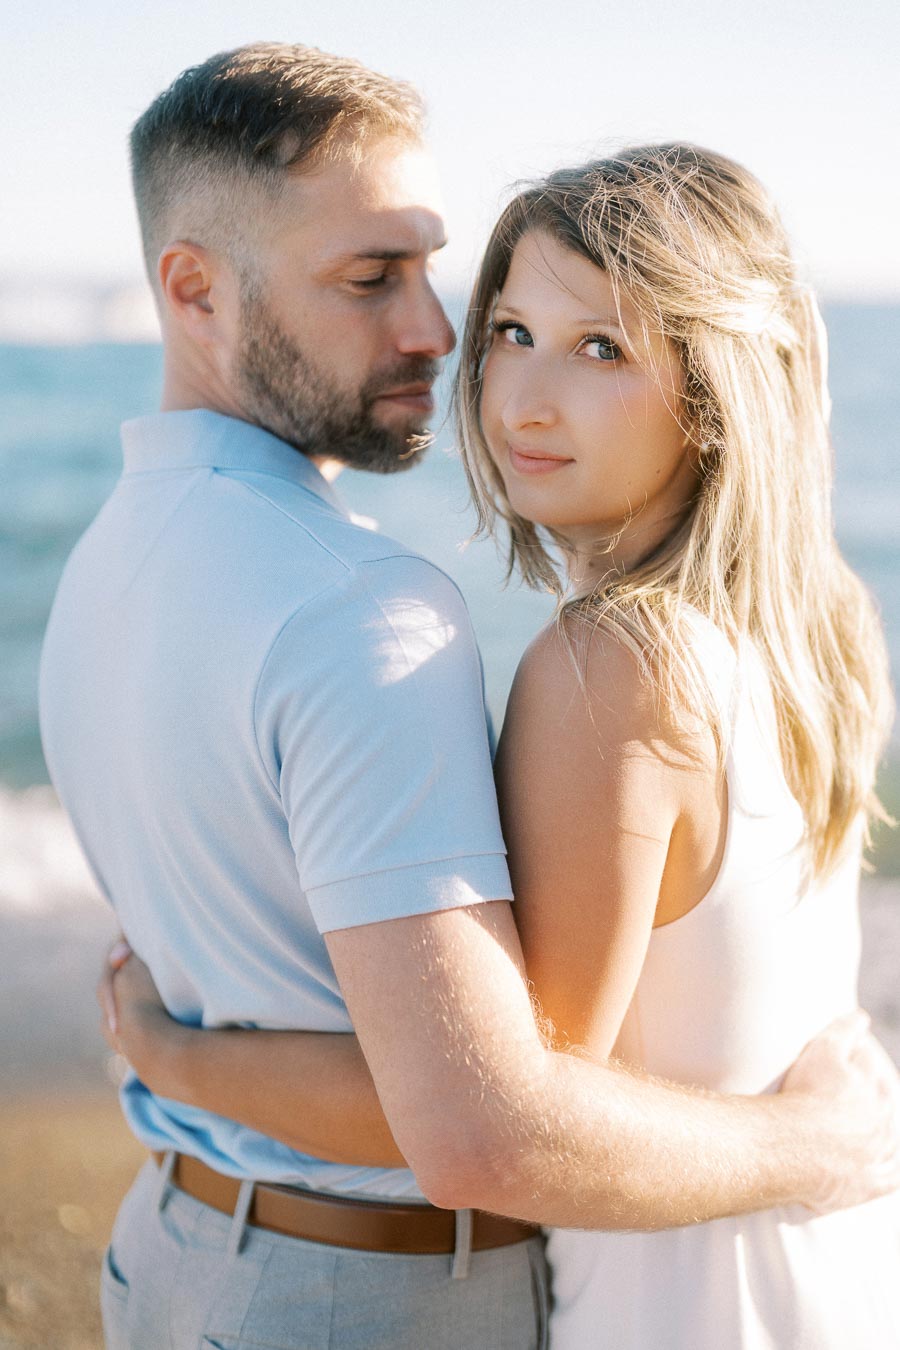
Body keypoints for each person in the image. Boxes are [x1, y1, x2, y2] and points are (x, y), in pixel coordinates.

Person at [41, 40, 898, 1349]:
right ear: (192, 288)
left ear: (719, 383)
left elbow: (500, 1115)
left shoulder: (608, 666)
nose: (490, 375)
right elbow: (501, 1107)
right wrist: (820, 1142)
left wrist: (173, 1053)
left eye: (600, 345)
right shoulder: (823, 628)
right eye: (514, 329)